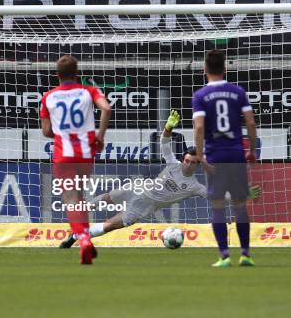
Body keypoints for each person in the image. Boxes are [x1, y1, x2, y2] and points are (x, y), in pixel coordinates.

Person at [59, 110, 261, 248]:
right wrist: (168, 127)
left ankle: (75, 238)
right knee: (102, 199)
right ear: (183, 159)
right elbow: (164, 143)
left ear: (198, 164)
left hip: (143, 207)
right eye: (187, 160)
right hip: (136, 188)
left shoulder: (194, 187)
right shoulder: (173, 163)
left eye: (193, 162)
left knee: (110, 225)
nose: (188, 164)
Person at [40, 55, 111, 264]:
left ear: (57, 75)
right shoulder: (88, 91)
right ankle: (85, 237)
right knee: (79, 196)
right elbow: (106, 108)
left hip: (64, 155)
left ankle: (83, 240)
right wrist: (100, 136)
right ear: (77, 73)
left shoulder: (48, 97)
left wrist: (63, 132)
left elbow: (46, 131)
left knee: (71, 199)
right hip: (86, 153)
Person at [192, 49, 257, 267]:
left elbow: (199, 127)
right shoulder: (238, 91)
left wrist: (200, 156)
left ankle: (224, 256)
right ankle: (246, 254)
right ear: (225, 69)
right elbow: (250, 123)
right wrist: (252, 150)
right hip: (236, 154)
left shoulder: (200, 96)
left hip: (215, 156)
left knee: (218, 206)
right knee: (240, 205)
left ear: (205, 70)